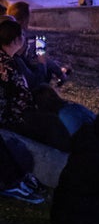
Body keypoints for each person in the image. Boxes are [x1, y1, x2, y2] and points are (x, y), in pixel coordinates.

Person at [0, 17, 71, 153]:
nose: (24, 37)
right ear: (15, 40)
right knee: (53, 122)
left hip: (9, 111)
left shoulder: (8, 58)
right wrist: (42, 60)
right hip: (9, 117)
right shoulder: (10, 65)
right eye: (21, 34)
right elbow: (26, 90)